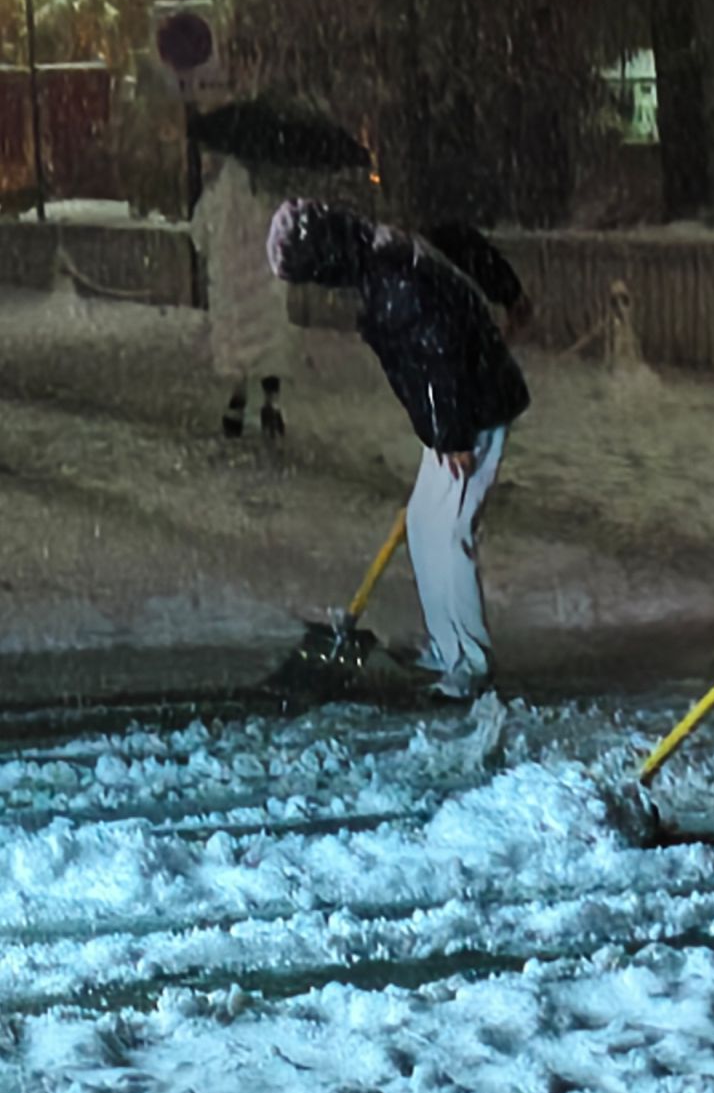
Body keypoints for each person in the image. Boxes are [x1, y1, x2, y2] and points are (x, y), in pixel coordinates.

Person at [266, 199, 531, 700]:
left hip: (470, 415)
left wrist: (451, 434)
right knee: (422, 524)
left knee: (450, 533)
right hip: (451, 418)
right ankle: (445, 644)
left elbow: (439, 356)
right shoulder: (380, 258)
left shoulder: (393, 280)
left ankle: (469, 664)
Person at [190, 151, 297, 440]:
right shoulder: (268, 198)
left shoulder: (215, 198)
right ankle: (271, 403)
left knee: (238, 349)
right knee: (268, 346)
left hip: (233, 291)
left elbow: (198, 237)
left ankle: (236, 404)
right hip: (266, 288)